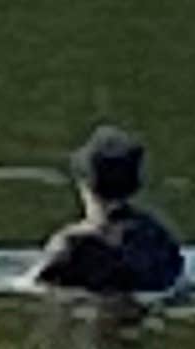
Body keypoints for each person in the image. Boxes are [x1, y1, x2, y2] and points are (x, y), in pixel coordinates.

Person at [30, 126, 185, 297]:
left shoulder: (72, 245)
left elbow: (33, 285)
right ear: (135, 185)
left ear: (85, 185)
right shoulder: (158, 238)